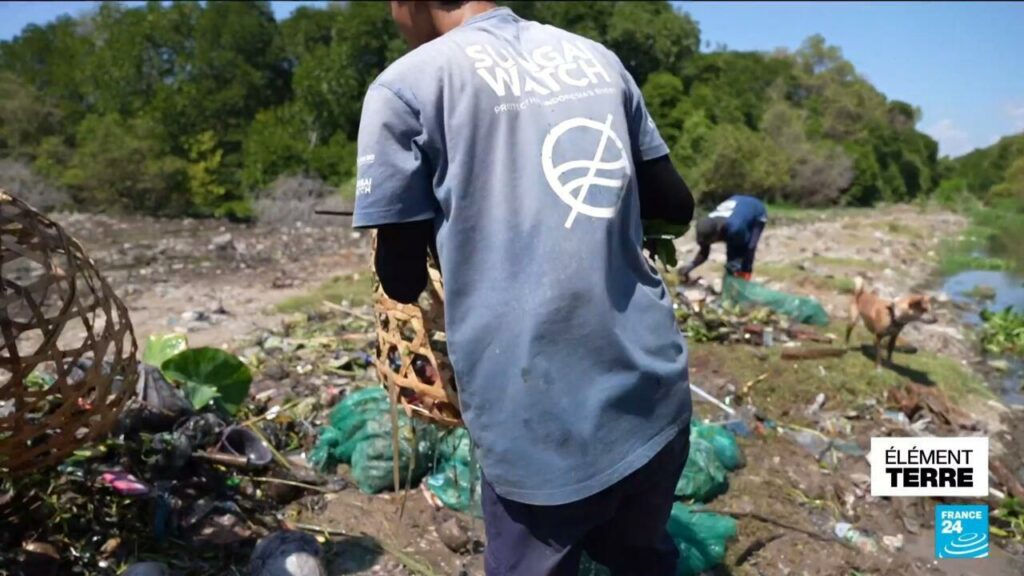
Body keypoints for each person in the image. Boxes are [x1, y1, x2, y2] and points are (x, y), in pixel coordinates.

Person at [353, 2, 695, 575]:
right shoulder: (598, 60)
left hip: (539, 426)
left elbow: (401, 277)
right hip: (653, 393)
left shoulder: (405, 86)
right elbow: (675, 205)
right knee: (639, 556)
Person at [679, 195, 768, 282]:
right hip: (738, 203)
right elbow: (704, 252)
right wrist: (691, 266)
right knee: (732, 261)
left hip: (756, 210)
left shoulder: (735, 228)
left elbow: (743, 251)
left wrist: (735, 268)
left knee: (749, 248)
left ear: (717, 234)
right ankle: (733, 280)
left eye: (711, 241)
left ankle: (744, 282)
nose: (710, 243)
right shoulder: (706, 227)